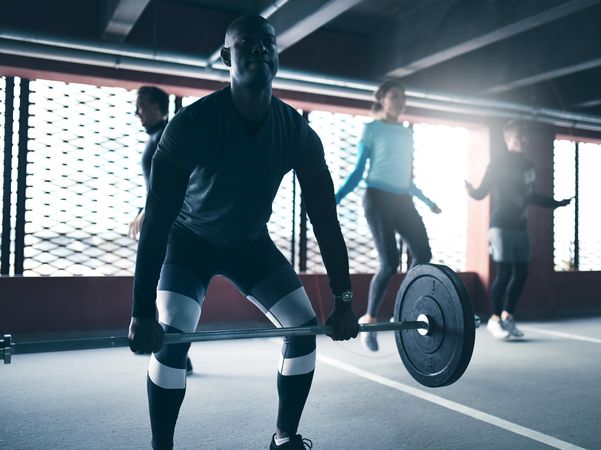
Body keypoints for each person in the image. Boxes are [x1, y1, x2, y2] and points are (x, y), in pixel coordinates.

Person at [127, 14, 359, 450]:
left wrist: (344, 299)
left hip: (249, 243)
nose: (258, 49)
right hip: (188, 241)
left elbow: (325, 220)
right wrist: (141, 311)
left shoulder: (297, 132)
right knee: (173, 333)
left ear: (277, 56)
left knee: (304, 329)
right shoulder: (190, 126)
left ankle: (285, 437)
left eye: (267, 43)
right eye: (246, 42)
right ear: (226, 55)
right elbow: (157, 222)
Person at [335, 80, 441, 352]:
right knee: (390, 262)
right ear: (382, 99)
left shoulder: (407, 133)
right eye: (394, 96)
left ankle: (404, 303)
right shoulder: (371, 129)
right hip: (377, 198)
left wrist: (427, 201)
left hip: (402, 199)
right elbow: (359, 171)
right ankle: (369, 319)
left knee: (423, 254)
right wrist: (334, 199)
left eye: (403, 97)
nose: (400, 101)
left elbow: (407, 177)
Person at [465, 120, 572, 340]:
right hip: (501, 225)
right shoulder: (498, 163)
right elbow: (481, 192)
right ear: (507, 139)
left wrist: (557, 203)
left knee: (522, 273)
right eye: (516, 137)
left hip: (520, 226)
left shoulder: (528, 166)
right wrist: (471, 190)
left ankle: (507, 316)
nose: (521, 141)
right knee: (504, 273)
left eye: (524, 137)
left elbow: (530, 196)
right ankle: (494, 320)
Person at [128, 86, 194, 375]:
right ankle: (175, 351)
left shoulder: (168, 135)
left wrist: (151, 211)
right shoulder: (155, 137)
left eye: (141, 106)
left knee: (169, 289)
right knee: (163, 287)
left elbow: (176, 184)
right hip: (161, 219)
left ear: (157, 106)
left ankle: (176, 353)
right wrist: (145, 210)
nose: (136, 112)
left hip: (172, 224)